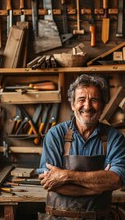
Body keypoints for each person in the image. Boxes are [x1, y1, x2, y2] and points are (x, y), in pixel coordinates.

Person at [37, 74, 125, 220]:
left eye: (94, 100)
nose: (87, 106)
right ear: (72, 105)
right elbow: (50, 183)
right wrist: (98, 187)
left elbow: (116, 180)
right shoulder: (55, 135)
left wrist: (66, 175)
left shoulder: (115, 138)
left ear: (102, 105)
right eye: (81, 99)